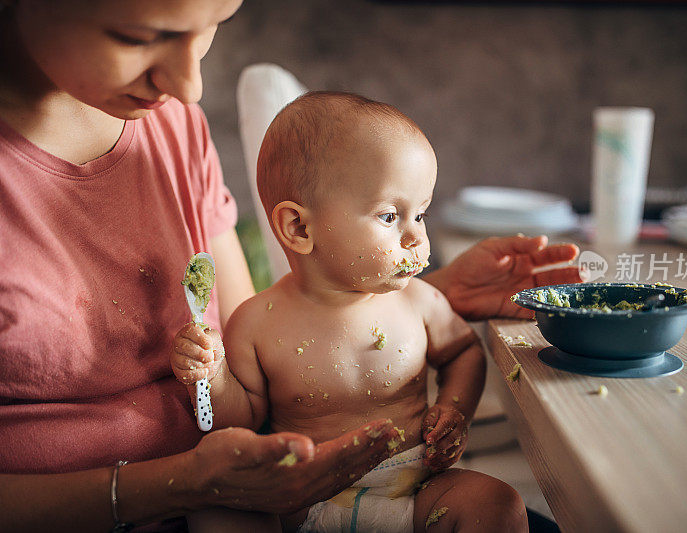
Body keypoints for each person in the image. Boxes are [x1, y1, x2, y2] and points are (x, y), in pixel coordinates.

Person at [0, 0, 581, 531]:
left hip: (293, 481)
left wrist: (414, 292)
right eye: (136, 36)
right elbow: (244, 385)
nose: (190, 87)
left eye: (210, 30)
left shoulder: (171, 123)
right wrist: (186, 472)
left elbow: (291, 334)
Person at [172, 91, 529, 533]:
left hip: (415, 492)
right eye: (388, 216)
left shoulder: (418, 301)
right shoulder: (258, 323)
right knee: (214, 514)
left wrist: (453, 410)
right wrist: (210, 377)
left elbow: (463, 352)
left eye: (420, 214)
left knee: (497, 504)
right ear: (299, 228)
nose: (415, 237)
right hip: (300, 501)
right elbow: (237, 420)